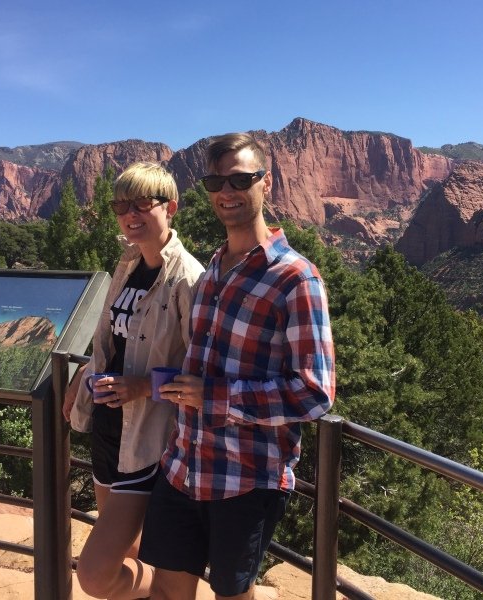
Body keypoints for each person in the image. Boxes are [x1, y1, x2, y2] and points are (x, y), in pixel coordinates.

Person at [139, 133, 335, 600]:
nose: (226, 191)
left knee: (232, 596)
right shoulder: (212, 272)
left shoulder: (295, 279)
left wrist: (214, 396)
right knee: (166, 591)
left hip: (247, 478)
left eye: (240, 179)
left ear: (266, 182)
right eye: (214, 181)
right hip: (183, 466)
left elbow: (315, 392)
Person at [63, 161, 204, 600]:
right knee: (132, 548)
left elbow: (204, 374)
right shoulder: (126, 264)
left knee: (96, 575)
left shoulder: (188, 279)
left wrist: (144, 387)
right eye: (122, 204)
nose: (131, 213)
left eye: (144, 202)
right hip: (109, 432)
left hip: (148, 440)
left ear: (171, 207)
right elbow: (112, 343)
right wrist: (84, 373)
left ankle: (160, 591)